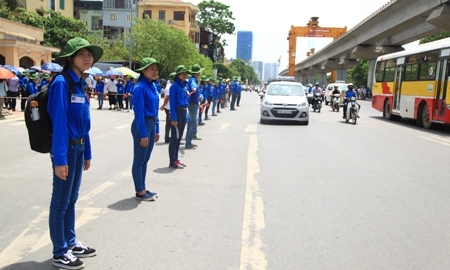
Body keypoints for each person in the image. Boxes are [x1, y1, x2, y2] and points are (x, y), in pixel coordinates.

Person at [48, 37, 103, 269]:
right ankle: (60, 251)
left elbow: (83, 120)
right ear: (70, 57)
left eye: (89, 54)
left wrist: (87, 150)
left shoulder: (80, 82)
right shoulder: (62, 83)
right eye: (82, 54)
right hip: (67, 148)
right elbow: (59, 122)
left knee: (71, 199)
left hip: (79, 147)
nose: (87, 58)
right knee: (60, 202)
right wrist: (60, 159)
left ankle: (70, 243)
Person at [130, 57, 161, 201]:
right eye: (151, 69)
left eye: (156, 69)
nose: (154, 72)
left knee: (146, 159)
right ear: (143, 71)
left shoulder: (153, 86)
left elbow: (155, 109)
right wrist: (143, 133)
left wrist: (157, 128)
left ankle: (143, 187)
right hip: (142, 125)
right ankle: (139, 191)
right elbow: (139, 113)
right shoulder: (140, 88)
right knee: (139, 159)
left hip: (152, 124)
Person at [168, 65, 189, 169]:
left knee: (179, 138)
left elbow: (185, 102)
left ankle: (176, 159)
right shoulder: (174, 86)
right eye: (183, 73)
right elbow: (172, 103)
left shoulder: (184, 86)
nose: (185, 75)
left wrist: (187, 116)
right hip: (177, 112)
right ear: (178, 75)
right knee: (174, 139)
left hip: (183, 113)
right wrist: (174, 118)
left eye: (186, 73)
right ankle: (172, 161)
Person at [185, 64, 203, 149]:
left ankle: (188, 141)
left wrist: (198, 96)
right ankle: (188, 142)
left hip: (193, 103)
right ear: (198, 73)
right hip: (192, 104)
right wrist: (194, 88)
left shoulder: (193, 79)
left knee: (190, 123)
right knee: (194, 123)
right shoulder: (193, 80)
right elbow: (193, 87)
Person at [160, 73, 175, 143]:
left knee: (169, 123)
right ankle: (168, 138)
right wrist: (163, 105)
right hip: (169, 107)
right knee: (170, 123)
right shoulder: (169, 87)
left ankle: (168, 137)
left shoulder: (169, 86)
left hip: (169, 107)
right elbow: (167, 97)